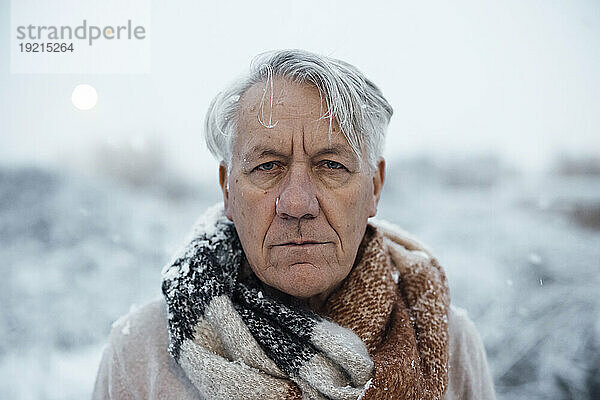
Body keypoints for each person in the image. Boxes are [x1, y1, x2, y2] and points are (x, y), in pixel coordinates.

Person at [92, 49, 496, 399]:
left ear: (374, 187)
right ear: (228, 190)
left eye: (331, 165)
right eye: (268, 166)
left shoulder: (446, 341)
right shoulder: (142, 352)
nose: (298, 203)